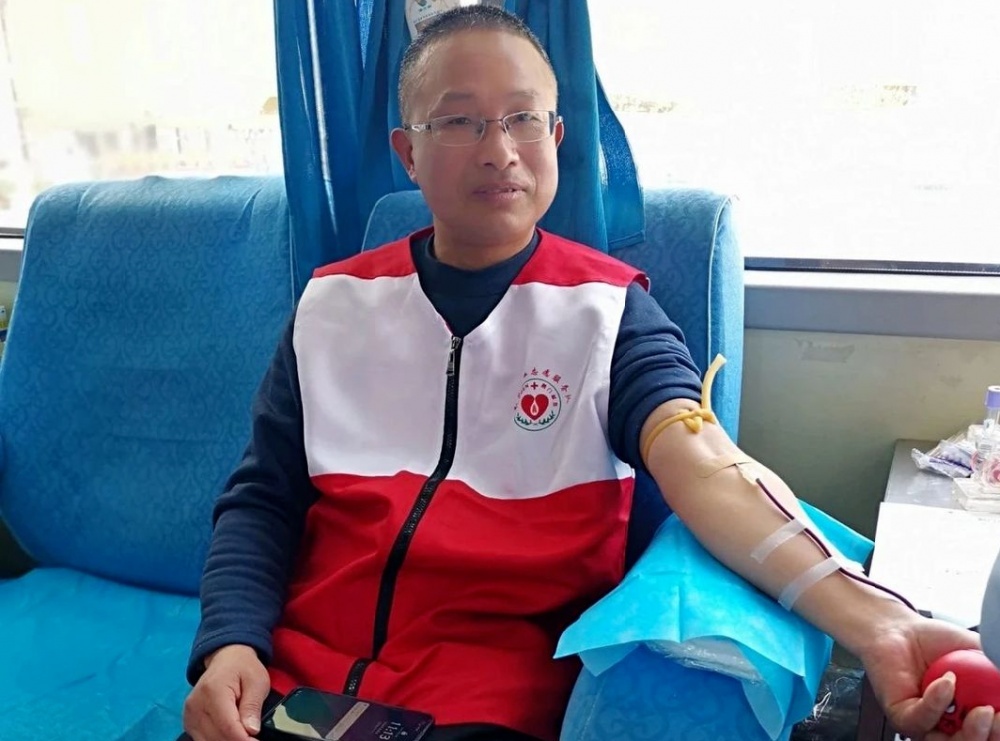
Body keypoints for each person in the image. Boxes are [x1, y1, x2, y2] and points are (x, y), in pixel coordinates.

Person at [181, 6, 998, 741]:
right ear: (409, 154)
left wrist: (880, 621)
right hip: (292, 687)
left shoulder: (609, 315)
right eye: (460, 121)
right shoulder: (333, 306)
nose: (499, 150)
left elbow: (708, 467)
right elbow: (262, 498)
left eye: (523, 118)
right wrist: (230, 644)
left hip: (481, 704)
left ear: (558, 137)